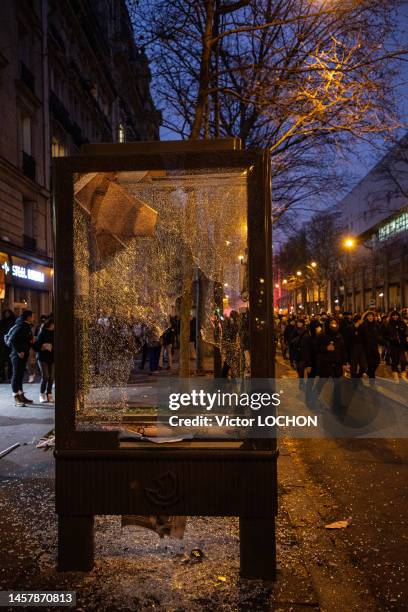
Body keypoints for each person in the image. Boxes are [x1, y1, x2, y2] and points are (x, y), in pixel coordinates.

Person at [313, 318, 347, 410]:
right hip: (325, 363)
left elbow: (343, 350)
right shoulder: (322, 335)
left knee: (337, 384)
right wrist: (325, 348)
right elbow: (315, 348)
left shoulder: (339, 336)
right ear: (328, 324)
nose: (334, 325)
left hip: (337, 363)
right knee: (322, 382)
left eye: (335, 323)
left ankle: (337, 404)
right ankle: (313, 399)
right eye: (332, 323)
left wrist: (344, 363)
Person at [7, 310, 34, 406]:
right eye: (32, 316)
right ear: (28, 317)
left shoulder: (27, 326)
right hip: (16, 355)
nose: (33, 318)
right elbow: (13, 339)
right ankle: (16, 396)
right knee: (16, 375)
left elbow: (27, 341)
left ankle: (21, 395)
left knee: (20, 375)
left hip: (23, 354)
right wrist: (18, 351)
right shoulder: (21, 326)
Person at [301, 320, 323, 407]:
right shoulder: (306, 337)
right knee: (310, 382)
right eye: (318, 327)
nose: (319, 329)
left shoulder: (316, 336)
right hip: (311, 363)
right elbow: (306, 353)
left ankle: (313, 396)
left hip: (317, 362)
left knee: (320, 380)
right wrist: (308, 365)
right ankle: (308, 400)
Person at [33, 316, 54, 403]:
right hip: (42, 357)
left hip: (52, 357)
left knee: (51, 378)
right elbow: (35, 345)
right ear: (50, 324)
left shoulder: (55, 333)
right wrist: (42, 347)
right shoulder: (42, 332)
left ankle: (49, 394)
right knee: (45, 376)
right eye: (53, 324)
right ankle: (42, 394)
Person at [383, 311, 408, 382]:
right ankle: (395, 374)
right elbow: (384, 335)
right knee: (395, 360)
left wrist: (405, 337)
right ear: (391, 316)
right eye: (393, 315)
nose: (395, 317)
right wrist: (390, 339)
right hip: (393, 345)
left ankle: (403, 374)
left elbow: (406, 332)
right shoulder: (388, 324)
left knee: (404, 360)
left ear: (398, 316)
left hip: (401, 345)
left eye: (396, 315)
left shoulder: (402, 323)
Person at [343, 314, 367, 384]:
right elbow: (346, 341)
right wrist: (346, 354)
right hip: (352, 349)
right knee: (353, 367)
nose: (362, 321)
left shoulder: (363, 328)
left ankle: (358, 376)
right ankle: (354, 382)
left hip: (361, 349)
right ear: (359, 320)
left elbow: (365, 339)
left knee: (363, 366)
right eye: (361, 320)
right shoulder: (349, 328)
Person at [361, 311, 381, 383]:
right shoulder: (363, 325)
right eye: (369, 316)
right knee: (371, 364)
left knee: (377, 361)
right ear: (366, 317)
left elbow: (379, 335)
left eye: (372, 316)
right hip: (367, 348)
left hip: (374, 347)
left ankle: (368, 373)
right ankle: (372, 380)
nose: (370, 317)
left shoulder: (376, 325)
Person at [290, 319, 308, 389]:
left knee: (302, 367)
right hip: (297, 351)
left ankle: (302, 382)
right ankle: (301, 381)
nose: (299, 324)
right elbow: (291, 340)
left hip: (303, 351)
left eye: (300, 323)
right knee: (299, 368)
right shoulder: (295, 330)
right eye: (298, 323)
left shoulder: (306, 330)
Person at [0, 309, 16, 382]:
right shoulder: (2, 322)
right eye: (5, 313)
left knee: (10, 361)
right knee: (2, 361)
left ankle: (10, 377)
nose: (6, 314)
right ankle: (2, 377)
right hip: (2, 344)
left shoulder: (13, 322)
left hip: (10, 344)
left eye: (8, 313)